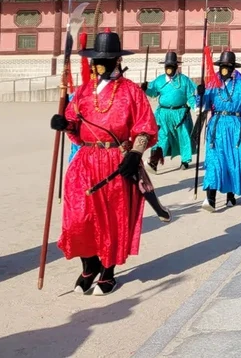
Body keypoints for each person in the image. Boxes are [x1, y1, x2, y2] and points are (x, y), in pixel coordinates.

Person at [51, 31, 158, 296]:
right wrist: (64, 124)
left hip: (116, 160)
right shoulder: (84, 91)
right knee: (78, 217)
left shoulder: (131, 91)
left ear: (116, 61)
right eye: (95, 59)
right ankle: (89, 265)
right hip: (85, 159)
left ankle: (108, 270)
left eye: (104, 59)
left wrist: (135, 153)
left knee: (111, 218)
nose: (98, 64)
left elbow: (145, 128)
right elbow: (74, 122)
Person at [198, 50, 241, 211]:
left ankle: (230, 194)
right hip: (216, 126)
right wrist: (200, 95)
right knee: (214, 161)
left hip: (235, 125)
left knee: (231, 160)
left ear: (232, 68)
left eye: (227, 67)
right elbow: (201, 108)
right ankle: (211, 199)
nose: (224, 70)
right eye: (222, 66)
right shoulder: (211, 84)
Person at [141, 51, 196, 171]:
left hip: (180, 114)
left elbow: (191, 96)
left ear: (176, 66)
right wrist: (146, 89)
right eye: (167, 66)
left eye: (172, 66)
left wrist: (196, 107)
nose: (169, 68)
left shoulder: (184, 80)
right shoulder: (160, 80)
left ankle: (185, 160)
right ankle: (154, 161)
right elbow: (153, 93)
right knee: (161, 137)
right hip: (163, 114)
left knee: (183, 136)